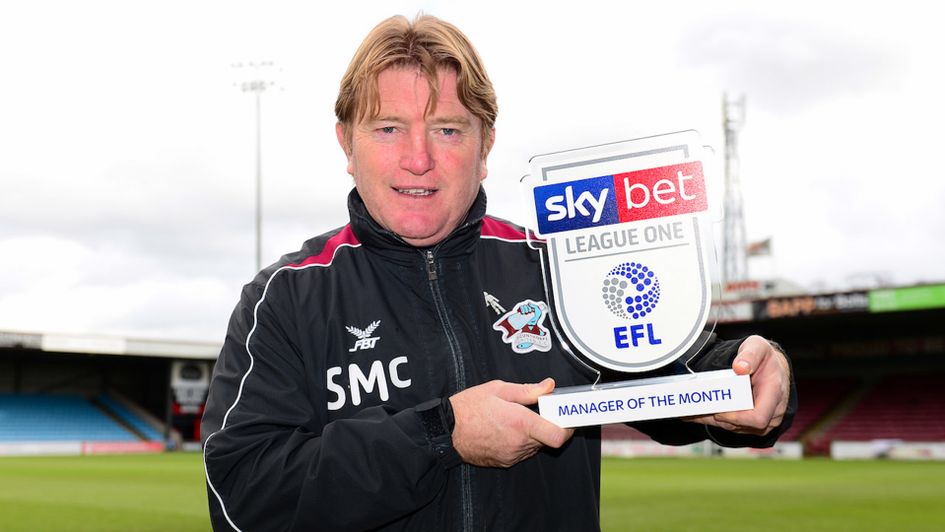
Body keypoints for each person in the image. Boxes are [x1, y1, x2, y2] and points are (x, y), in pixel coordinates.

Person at [202, 14, 795, 531]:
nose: (419, 157)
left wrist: (747, 373)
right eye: (388, 128)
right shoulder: (285, 299)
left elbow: (669, 367)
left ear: (485, 148)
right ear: (346, 145)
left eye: (448, 129)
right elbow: (243, 496)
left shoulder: (554, 267)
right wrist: (442, 435)